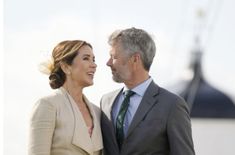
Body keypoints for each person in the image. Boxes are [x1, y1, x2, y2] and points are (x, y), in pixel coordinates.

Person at [100, 27, 195, 155]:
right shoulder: (106, 102)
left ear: (135, 59)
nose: (108, 63)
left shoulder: (172, 105)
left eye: (114, 57)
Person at [28, 40, 103, 155]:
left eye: (93, 59)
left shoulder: (98, 112)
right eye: (86, 58)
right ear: (66, 67)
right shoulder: (48, 105)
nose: (94, 65)